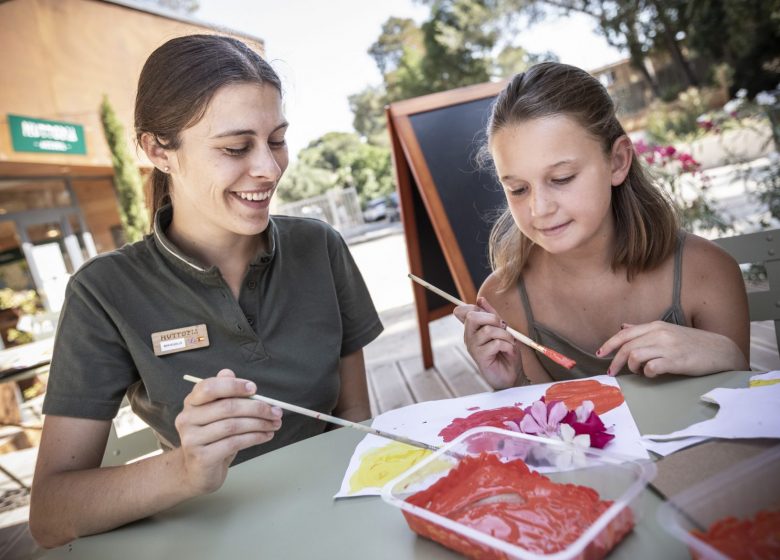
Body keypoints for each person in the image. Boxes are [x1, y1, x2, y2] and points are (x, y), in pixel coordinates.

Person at [30, 34, 383, 547]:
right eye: (235, 147)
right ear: (158, 150)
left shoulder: (319, 247)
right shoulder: (102, 292)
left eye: (276, 140)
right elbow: (49, 515)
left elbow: (353, 418)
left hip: (339, 518)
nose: (269, 169)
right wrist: (186, 468)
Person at [454, 62, 749, 389]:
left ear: (618, 161)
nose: (539, 208)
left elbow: (744, 404)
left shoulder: (706, 272)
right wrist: (512, 386)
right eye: (518, 189)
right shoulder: (502, 301)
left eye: (562, 178)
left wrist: (729, 357)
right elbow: (545, 419)